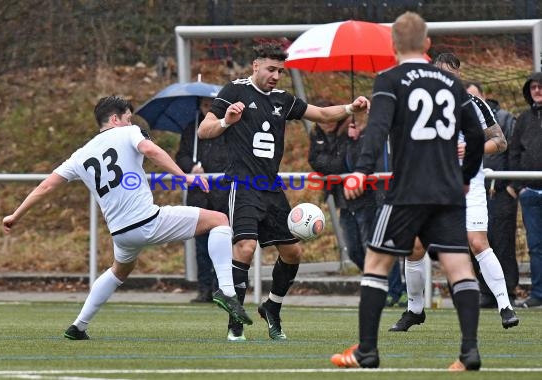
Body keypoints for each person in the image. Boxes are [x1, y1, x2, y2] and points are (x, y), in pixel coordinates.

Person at [2, 95, 252, 340]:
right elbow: (150, 150)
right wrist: (183, 176)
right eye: (128, 118)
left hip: (121, 234)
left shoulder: (80, 154)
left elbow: (45, 187)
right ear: (115, 119)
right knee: (219, 220)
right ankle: (227, 291)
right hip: (147, 221)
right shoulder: (129, 132)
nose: (132, 123)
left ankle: (78, 326)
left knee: (119, 270)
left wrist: (15, 215)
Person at [330, 11, 485, 370]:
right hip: (447, 192)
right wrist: (465, 175)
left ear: (393, 45)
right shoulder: (451, 83)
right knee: (460, 269)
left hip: (407, 191)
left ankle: (367, 350)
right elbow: (475, 134)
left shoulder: (390, 79)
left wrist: (361, 171)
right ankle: (469, 352)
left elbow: (378, 127)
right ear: (428, 44)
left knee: (375, 264)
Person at [198, 42, 370, 341]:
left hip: (271, 186)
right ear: (255, 66)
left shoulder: (283, 99)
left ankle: (272, 307)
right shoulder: (234, 91)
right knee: (246, 247)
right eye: (271, 69)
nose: (276, 75)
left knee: (293, 253)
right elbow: (204, 130)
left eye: (281, 70)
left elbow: (322, 114)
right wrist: (227, 121)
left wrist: (349, 108)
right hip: (243, 184)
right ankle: (235, 324)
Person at [388, 53, 519, 333]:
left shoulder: (473, 104)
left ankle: (505, 306)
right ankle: (414, 310)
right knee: (414, 247)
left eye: (451, 75)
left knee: (478, 242)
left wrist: (473, 148)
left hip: (467, 185)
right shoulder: (417, 104)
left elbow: (501, 141)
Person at [307, 101, 406, 308]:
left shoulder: (356, 134)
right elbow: (320, 163)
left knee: (373, 245)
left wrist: (353, 142)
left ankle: (395, 289)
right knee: (353, 250)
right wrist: (336, 162)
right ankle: (379, 282)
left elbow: (362, 161)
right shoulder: (317, 136)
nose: (326, 123)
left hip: (365, 198)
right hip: (344, 200)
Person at [465, 81, 519, 308]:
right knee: (470, 244)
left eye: (474, 96)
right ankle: (483, 292)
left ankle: (507, 293)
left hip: (498, 190)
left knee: (497, 242)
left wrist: (510, 184)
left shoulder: (503, 118)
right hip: (464, 187)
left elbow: (509, 147)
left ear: (483, 96)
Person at [176, 97, 228, 303]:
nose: (208, 110)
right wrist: (192, 167)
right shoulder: (191, 130)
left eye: (211, 106)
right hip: (199, 196)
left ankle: (221, 288)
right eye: (205, 106)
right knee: (201, 246)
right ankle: (204, 288)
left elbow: (230, 157)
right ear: (199, 106)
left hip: (221, 194)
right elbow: (181, 156)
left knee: (222, 243)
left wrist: (212, 169)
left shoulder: (226, 128)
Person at [508, 71, 542, 308]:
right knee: (535, 246)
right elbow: (514, 153)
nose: (537, 91)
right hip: (530, 192)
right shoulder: (522, 120)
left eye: (541, 87)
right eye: (533, 88)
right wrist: (518, 185)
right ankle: (539, 294)